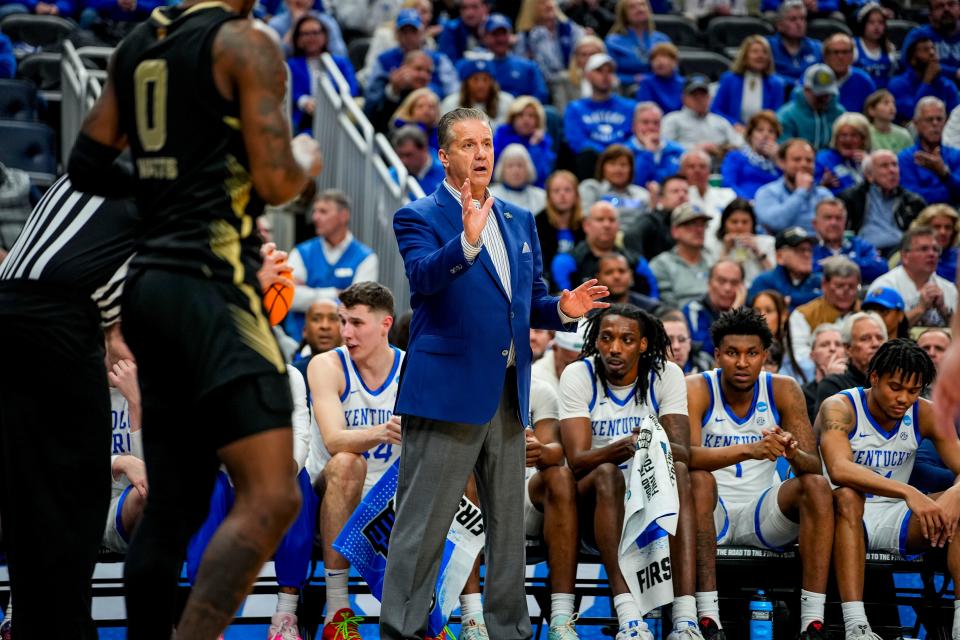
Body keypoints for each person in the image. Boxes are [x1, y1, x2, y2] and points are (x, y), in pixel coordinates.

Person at [68, 0, 325, 631]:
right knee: (272, 495)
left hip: (148, 289)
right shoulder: (246, 43)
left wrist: (167, 187)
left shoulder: (136, 44)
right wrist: (306, 157)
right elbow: (275, 182)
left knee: (172, 508)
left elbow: (85, 164)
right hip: (216, 291)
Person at [383, 107, 608, 640]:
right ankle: (401, 631)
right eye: (467, 145)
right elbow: (423, 279)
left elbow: (528, 304)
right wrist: (465, 242)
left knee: (507, 531)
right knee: (423, 527)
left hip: (508, 394)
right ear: (444, 156)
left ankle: (509, 631)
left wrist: (563, 309)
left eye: (486, 142)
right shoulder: (418, 215)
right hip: (444, 395)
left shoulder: (518, 218)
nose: (481, 153)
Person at [0, 174, 138, 638]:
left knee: (31, 507)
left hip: (14, 306)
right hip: (58, 319)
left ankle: (33, 627)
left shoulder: (89, 168)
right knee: (73, 505)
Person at [687, 308, 834, 640]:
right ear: (717, 355)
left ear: (765, 356)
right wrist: (750, 449)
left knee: (816, 487)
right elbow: (685, 457)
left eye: (752, 353)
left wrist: (793, 452)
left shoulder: (783, 388)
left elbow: (814, 467)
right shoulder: (696, 387)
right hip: (713, 513)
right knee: (696, 479)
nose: (742, 362)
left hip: (762, 515)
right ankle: (708, 618)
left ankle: (813, 622)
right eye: (732, 353)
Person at [559, 305, 701, 640]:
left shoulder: (667, 374)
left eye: (626, 340)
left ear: (642, 344)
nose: (614, 348)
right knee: (608, 474)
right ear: (596, 340)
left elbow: (683, 452)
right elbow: (577, 461)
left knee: (680, 471)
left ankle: (685, 617)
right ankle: (629, 617)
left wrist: (648, 442)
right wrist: (624, 447)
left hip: (651, 499)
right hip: (593, 502)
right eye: (606, 338)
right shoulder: (579, 375)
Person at [817, 339, 960, 640]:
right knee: (846, 495)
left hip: (893, 517)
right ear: (874, 378)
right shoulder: (840, 407)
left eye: (913, 390)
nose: (903, 399)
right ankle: (857, 626)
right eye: (895, 387)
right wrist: (908, 492)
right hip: (838, 518)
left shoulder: (925, 412)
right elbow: (839, 469)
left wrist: (953, 495)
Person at [303, 283, 406, 636]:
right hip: (331, 494)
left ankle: (464, 615)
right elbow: (334, 441)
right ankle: (337, 611)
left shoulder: (412, 368)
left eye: (356, 323)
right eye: (342, 321)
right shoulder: (326, 365)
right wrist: (383, 431)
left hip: (391, 498)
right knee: (349, 462)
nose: (345, 333)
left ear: (385, 324)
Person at [185, 364, 312, 640]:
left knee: (296, 479)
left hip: (270, 485)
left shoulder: (289, 375)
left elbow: (301, 433)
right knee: (204, 484)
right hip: (224, 479)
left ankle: (286, 615)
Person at [521, 376, 583, 638]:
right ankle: (472, 619)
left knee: (559, 477)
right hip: (477, 492)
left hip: (523, 494)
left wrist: (540, 450)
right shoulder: (463, 379)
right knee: (465, 474)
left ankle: (561, 618)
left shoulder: (538, 388)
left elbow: (556, 450)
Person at [286, 189, 378, 342]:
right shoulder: (300, 252)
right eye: (314, 211)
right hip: (299, 343)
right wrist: (335, 294)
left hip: (345, 345)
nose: (315, 217)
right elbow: (290, 298)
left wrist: (308, 293)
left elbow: (359, 306)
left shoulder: (366, 258)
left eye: (323, 211)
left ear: (343, 216)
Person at [553, 201, 658, 297]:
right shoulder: (566, 262)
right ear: (586, 225)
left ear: (618, 226)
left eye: (612, 220)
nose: (606, 225)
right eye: (600, 219)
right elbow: (563, 300)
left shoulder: (636, 262)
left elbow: (653, 300)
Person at [840, 149, 927, 256]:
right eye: (884, 166)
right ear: (869, 175)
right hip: (862, 252)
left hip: (901, 252)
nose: (892, 170)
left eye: (894, 165)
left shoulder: (913, 201)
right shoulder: (850, 198)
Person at [787, 256, 861, 381]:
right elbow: (799, 356)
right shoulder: (803, 314)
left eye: (852, 286)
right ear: (824, 285)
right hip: (815, 380)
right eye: (839, 285)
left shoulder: (866, 313)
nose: (846, 291)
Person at [563, 53, 638, 172]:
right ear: (587, 75)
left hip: (624, 160)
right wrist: (606, 156)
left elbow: (635, 136)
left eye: (609, 71)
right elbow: (577, 141)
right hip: (592, 162)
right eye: (599, 71)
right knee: (587, 155)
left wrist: (617, 154)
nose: (605, 75)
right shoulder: (575, 108)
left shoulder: (630, 106)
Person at [871, 226, 958, 327]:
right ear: (905, 256)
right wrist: (919, 309)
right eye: (924, 249)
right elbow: (880, 330)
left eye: (935, 249)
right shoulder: (884, 287)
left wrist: (944, 310)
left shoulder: (949, 289)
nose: (931, 254)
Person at [288, 14, 360, 134]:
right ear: (298, 39)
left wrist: (333, 104)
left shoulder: (340, 63)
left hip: (336, 115)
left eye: (315, 32)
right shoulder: (292, 65)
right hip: (305, 120)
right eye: (305, 34)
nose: (311, 37)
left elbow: (352, 89)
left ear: (325, 36)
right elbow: (292, 92)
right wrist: (304, 102)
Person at [755, 139, 833, 234]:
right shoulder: (767, 192)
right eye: (797, 159)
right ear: (782, 163)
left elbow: (830, 229)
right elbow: (775, 223)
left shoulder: (824, 195)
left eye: (809, 160)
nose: (804, 164)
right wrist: (801, 192)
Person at [814, 311, 886, 408]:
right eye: (865, 339)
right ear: (848, 348)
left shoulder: (894, 381)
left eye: (879, 338)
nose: (875, 344)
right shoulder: (833, 385)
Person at [712, 36, 787, 128]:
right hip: (732, 131)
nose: (761, 56)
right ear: (745, 56)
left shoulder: (776, 84)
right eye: (755, 52)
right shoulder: (729, 79)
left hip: (763, 134)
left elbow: (776, 116)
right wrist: (734, 124)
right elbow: (715, 109)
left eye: (765, 52)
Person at [661, 76, 744, 158]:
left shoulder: (720, 121)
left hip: (719, 166)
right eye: (694, 95)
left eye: (703, 95)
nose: (699, 99)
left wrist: (725, 148)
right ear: (684, 98)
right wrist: (695, 148)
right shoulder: (673, 119)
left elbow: (739, 143)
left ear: (709, 98)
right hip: (685, 166)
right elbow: (663, 146)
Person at [897, 97, 960, 206]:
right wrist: (948, 193)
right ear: (916, 124)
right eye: (929, 119)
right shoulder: (905, 158)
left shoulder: (956, 155)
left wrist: (944, 173)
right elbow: (910, 197)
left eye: (939, 119)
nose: (935, 124)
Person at [650, 203, 714, 309]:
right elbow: (667, 308)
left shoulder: (712, 260)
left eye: (702, 225)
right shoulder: (661, 264)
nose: (699, 230)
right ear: (675, 231)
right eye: (692, 225)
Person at [888, 30, 960, 122]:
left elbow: (957, 117)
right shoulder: (898, 84)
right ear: (913, 59)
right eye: (925, 50)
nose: (932, 53)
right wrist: (926, 82)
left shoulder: (947, 85)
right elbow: (910, 114)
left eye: (933, 48)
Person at [683, 260, 745, 363]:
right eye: (721, 281)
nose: (727, 288)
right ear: (709, 283)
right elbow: (706, 351)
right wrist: (732, 315)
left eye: (734, 283)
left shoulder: (748, 315)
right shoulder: (693, 310)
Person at [811, 199, 886, 283]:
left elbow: (881, 267)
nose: (833, 223)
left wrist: (842, 260)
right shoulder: (808, 248)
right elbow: (808, 273)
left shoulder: (859, 244)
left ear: (845, 222)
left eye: (838, 218)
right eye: (828, 218)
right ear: (815, 223)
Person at [480, 14, 550, 104]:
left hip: (521, 113)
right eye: (495, 34)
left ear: (510, 36)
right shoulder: (478, 66)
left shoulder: (528, 66)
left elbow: (541, 94)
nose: (500, 39)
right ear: (485, 37)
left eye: (503, 34)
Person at [748, 226, 822, 310]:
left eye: (809, 250)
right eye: (800, 250)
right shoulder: (764, 282)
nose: (807, 255)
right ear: (779, 256)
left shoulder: (820, 281)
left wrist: (790, 300)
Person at [514, 0, 585, 87]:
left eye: (550, 1)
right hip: (541, 85)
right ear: (531, 9)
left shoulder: (571, 29)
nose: (548, 5)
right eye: (542, 3)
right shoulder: (525, 37)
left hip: (571, 83)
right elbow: (523, 68)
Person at [777, 65, 846, 152]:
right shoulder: (786, 116)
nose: (824, 99)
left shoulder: (840, 114)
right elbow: (784, 152)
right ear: (806, 90)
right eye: (819, 95)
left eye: (827, 94)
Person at [604, 0, 671, 86]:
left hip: (659, 88)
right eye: (632, 7)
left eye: (642, 5)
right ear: (624, 14)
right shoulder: (613, 42)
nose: (639, 9)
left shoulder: (662, 40)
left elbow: (673, 71)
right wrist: (633, 79)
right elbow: (608, 75)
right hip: (625, 90)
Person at [536, 170, 586, 286]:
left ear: (576, 195)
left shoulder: (585, 225)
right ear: (549, 196)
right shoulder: (537, 224)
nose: (562, 195)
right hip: (549, 285)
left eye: (567, 190)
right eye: (556, 191)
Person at [493, 96, 556, 189]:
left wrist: (534, 145)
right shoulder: (501, 135)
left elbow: (540, 176)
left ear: (538, 121)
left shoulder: (542, 142)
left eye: (531, 116)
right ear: (512, 118)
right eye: (521, 115)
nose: (526, 120)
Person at [710, 199, 776, 286]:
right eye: (734, 222)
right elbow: (714, 281)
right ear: (724, 223)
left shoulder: (768, 242)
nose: (739, 226)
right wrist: (726, 251)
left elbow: (775, 278)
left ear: (753, 224)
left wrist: (758, 251)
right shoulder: (715, 244)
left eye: (745, 222)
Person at [578, 145, 651, 223]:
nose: (618, 170)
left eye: (623, 165)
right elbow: (586, 220)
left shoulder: (643, 195)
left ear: (631, 169)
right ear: (602, 167)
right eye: (612, 164)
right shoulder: (592, 189)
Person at [720, 111, 783, 200]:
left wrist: (778, 160)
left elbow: (788, 187)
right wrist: (747, 203)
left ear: (776, 137)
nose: (765, 135)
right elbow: (728, 185)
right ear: (750, 135)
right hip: (744, 207)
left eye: (771, 131)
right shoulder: (735, 157)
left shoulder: (781, 163)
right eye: (760, 130)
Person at [625, 174, 689, 261]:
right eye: (675, 191)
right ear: (661, 198)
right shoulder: (652, 220)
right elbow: (631, 236)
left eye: (685, 191)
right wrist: (637, 263)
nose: (682, 195)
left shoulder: (694, 223)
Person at [626, 102, 686, 192]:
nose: (651, 127)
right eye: (645, 122)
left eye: (656, 123)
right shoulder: (625, 151)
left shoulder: (677, 151)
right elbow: (636, 182)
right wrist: (648, 152)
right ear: (634, 126)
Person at [680, 150, 736, 239]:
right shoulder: (679, 197)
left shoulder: (728, 195)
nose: (697, 170)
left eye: (702, 166)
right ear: (682, 171)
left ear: (709, 170)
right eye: (691, 166)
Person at [441, 58, 514, 126]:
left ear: (492, 82)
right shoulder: (451, 103)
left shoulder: (507, 102)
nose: (480, 85)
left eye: (485, 79)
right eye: (475, 79)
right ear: (466, 83)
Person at [766, 0, 822, 83]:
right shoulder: (767, 46)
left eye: (802, 19)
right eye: (793, 19)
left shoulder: (817, 48)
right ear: (779, 25)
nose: (799, 24)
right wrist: (796, 85)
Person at [905, 0, 960, 84]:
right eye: (939, 6)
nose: (946, 9)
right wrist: (954, 72)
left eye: (951, 4)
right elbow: (909, 65)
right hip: (930, 88)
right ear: (930, 14)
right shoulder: (919, 35)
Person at [800, 323, 847, 420]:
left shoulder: (859, 385)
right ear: (812, 355)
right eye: (824, 345)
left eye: (838, 344)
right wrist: (832, 380)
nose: (832, 349)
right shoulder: (802, 393)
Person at [815, 114, 870, 197]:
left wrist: (869, 166)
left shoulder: (871, 160)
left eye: (854, 135)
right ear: (835, 139)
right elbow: (810, 193)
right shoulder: (823, 159)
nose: (848, 140)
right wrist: (822, 185)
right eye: (843, 135)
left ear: (863, 139)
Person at [822, 33, 876, 113]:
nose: (840, 57)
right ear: (826, 56)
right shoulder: (816, 76)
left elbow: (873, 112)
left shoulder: (864, 81)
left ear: (852, 55)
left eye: (845, 52)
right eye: (835, 52)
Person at [550, 34, 607, 112]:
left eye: (593, 54)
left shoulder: (612, 82)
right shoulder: (563, 80)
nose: (589, 58)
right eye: (584, 55)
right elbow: (563, 112)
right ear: (576, 59)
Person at [908, 203, 960, 283]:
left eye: (948, 227)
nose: (943, 232)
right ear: (923, 229)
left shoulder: (957, 257)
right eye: (937, 227)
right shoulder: (910, 257)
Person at [490, 144, 547, 214]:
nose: (515, 171)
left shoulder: (542, 198)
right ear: (502, 170)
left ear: (528, 169)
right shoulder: (491, 196)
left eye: (520, 165)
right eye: (510, 166)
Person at [596, 251, 662, 312]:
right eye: (609, 272)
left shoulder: (651, 308)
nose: (617, 277)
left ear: (631, 276)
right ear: (599, 278)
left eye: (622, 271)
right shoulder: (589, 309)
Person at [853, 3, 898, 89]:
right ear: (863, 25)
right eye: (871, 22)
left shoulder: (890, 48)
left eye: (880, 22)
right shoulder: (853, 46)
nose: (876, 27)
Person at [391, 125, 446, 195]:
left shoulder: (446, 172)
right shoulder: (392, 175)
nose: (403, 161)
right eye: (400, 155)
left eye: (408, 155)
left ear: (424, 148)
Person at [292, 298, 343, 373]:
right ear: (304, 330)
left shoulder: (359, 372)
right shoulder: (294, 373)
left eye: (333, 319)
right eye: (316, 319)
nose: (325, 326)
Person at [533, 326, 588, 393]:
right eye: (568, 364)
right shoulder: (535, 377)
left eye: (581, 365)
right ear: (554, 348)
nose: (575, 372)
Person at [635, 42, 684, 115]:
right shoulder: (647, 83)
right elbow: (645, 111)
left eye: (664, 57)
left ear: (675, 62)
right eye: (654, 58)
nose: (659, 61)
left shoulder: (683, 83)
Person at [661, 308, 713, 373]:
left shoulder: (705, 365)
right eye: (668, 341)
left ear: (689, 343)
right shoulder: (649, 376)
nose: (676, 346)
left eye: (682, 340)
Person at [390, 87, 441, 151]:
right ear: (410, 110)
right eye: (420, 106)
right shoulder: (400, 129)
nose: (426, 110)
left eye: (431, 107)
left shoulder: (440, 134)